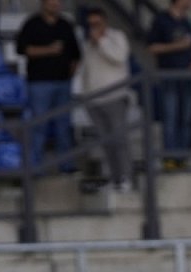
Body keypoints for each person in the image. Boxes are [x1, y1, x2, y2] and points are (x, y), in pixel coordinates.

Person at [16, 0, 81, 166]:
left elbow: (76, 54)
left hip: (63, 83)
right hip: (39, 83)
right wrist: (49, 50)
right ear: (43, 3)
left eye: (57, 2)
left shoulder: (65, 24)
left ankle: (66, 164)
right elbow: (23, 50)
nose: (55, 4)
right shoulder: (32, 24)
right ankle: (35, 165)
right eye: (51, 1)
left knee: (64, 125)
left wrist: (69, 75)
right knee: (39, 125)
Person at [80, 8, 131, 190]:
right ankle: (113, 178)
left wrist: (101, 41)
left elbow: (119, 57)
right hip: (94, 99)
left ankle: (125, 177)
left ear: (104, 22)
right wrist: (85, 94)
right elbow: (87, 70)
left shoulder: (117, 37)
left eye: (97, 23)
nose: (94, 27)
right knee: (105, 142)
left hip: (114, 96)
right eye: (90, 24)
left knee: (119, 139)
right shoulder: (87, 43)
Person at [145, 0, 191, 168]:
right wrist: (177, 46)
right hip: (169, 76)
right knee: (170, 117)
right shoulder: (161, 20)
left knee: (186, 118)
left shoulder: (186, 21)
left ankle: (182, 157)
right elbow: (152, 48)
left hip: (187, 77)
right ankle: (169, 157)